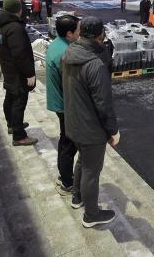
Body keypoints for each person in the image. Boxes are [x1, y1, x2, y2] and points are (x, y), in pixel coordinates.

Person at [62, 16, 120, 227]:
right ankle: (91, 215)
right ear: (100, 36)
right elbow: (104, 103)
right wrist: (113, 130)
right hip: (90, 129)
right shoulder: (95, 65)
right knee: (91, 172)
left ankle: (77, 197)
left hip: (73, 121)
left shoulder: (70, 52)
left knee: (82, 162)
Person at [0, 0, 38, 146]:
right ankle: (19, 136)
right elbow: (21, 54)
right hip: (17, 72)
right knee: (19, 102)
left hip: (8, 69)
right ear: (19, 9)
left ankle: (12, 124)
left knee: (10, 98)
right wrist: (30, 73)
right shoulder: (15, 28)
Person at [46, 15, 80, 195]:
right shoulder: (65, 54)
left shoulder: (57, 44)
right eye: (78, 30)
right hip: (64, 104)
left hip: (58, 101)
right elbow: (70, 85)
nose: (80, 33)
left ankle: (63, 175)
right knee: (69, 143)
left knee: (64, 139)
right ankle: (67, 182)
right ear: (69, 33)